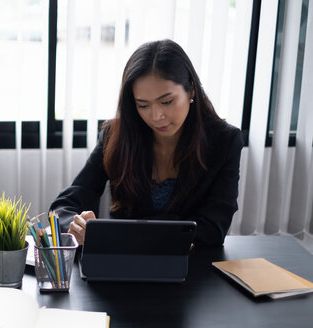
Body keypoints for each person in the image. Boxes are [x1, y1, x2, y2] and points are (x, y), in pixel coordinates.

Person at [49, 39, 244, 247]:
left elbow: (214, 230)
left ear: (192, 90)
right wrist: (76, 225)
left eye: (167, 102)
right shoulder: (116, 135)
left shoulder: (224, 141)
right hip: (122, 263)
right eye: (143, 105)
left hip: (190, 267)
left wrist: (122, 232)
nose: (156, 116)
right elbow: (64, 206)